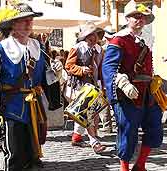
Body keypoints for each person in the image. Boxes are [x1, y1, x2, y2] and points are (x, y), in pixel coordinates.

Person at [0, 3, 50, 170]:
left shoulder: (37, 46)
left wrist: (54, 92)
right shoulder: (0, 50)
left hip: (35, 107)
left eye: (30, 20)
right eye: (23, 21)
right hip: (12, 108)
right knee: (15, 154)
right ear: (12, 24)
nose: (28, 24)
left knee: (34, 154)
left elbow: (46, 75)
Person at [102, 1, 163, 171]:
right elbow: (108, 68)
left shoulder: (146, 40)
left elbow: (149, 66)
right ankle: (124, 168)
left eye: (143, 17)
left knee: (155, 127)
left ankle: (141, 165)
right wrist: (122, 82)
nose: (140, 20)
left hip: (147, 93)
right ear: (127, 18)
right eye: (136, 16)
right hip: (127, 93)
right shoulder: (119, 40)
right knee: (128, 132)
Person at [65, 23, 106, 154]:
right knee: (86, 113)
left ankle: (76, 137)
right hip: (80, 85)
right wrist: (81, 69)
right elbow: (68, 65)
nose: (92, 38)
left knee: (91, 113)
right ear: (85, 37)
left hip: (95, 86)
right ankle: (94, 141)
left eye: (94, 34)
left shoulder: (100, 50)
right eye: (89, 35)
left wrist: (104, 84)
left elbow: (102, 69)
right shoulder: (77, 48)